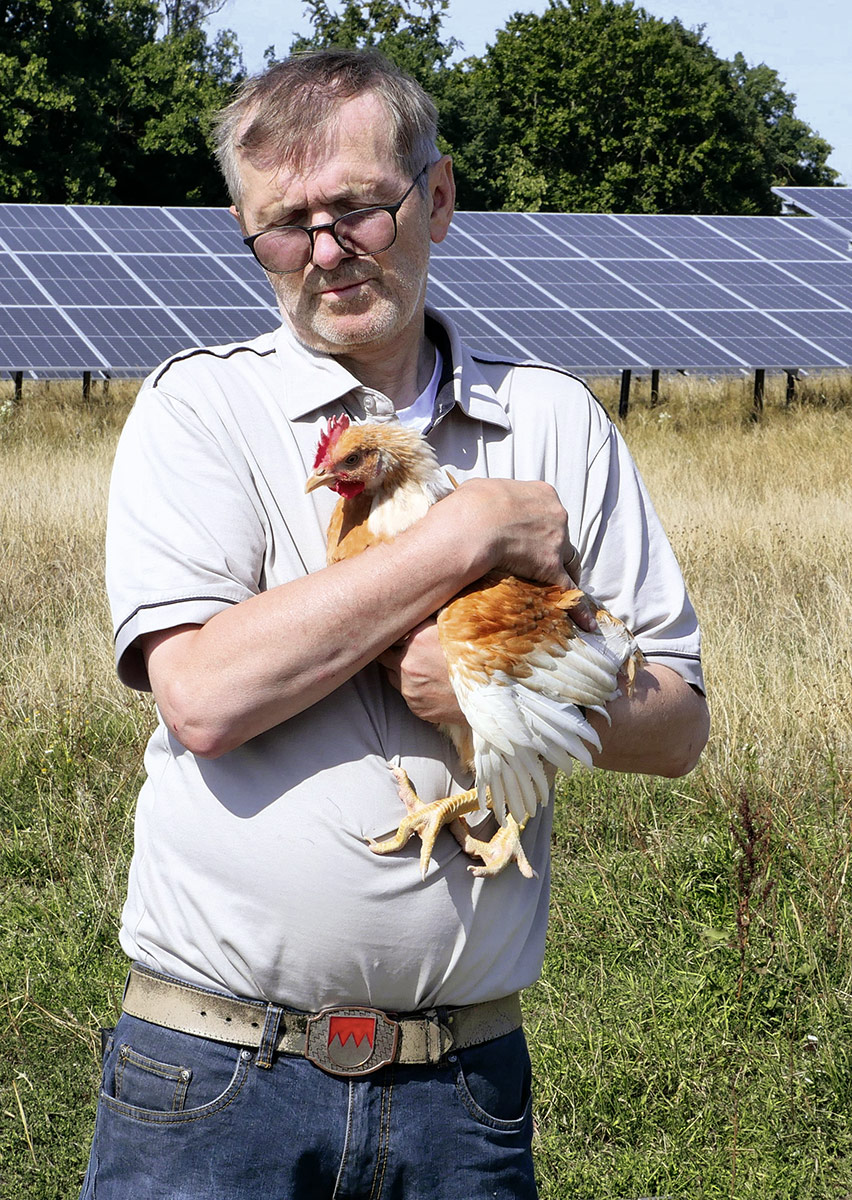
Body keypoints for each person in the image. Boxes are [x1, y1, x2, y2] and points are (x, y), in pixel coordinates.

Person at [80, 48, 709, 1200]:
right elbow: (206, 697)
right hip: (214, 1077)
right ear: (247, 231)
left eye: (359, 208)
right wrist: (463, 541)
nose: (326, 252)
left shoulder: (555, 423)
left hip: (460, 1083)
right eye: (285, 226)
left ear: (439, 197)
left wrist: (501, 682)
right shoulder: (200, 406)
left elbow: (675, 728)